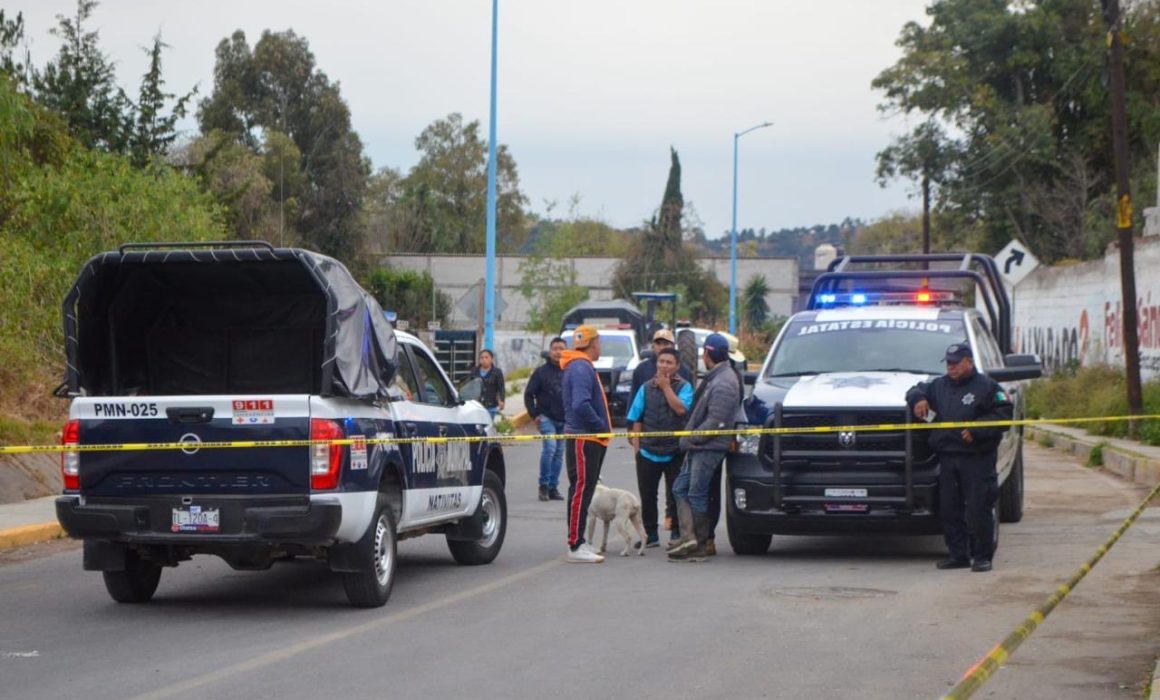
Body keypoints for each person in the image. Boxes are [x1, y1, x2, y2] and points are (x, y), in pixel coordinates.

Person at [906, 342, 1013, 573]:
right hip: (948, 458)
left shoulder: (987, 387)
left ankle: (982, 556)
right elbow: (914, 390)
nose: (951, 367)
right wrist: (918, 399)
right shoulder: (939, 386)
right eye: (948, 363)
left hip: (977, 458)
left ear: (969, 362)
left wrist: (977, 430)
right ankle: (958, 555)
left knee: (978, 508)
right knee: (949, 509)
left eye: (956, 363)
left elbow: (1004, 414)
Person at [669, 333, 741, 561]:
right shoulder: (717, 377)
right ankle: (688, 537)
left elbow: (716, 422)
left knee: (696, 493)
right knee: (680, 488)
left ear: (708, 354)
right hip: (700, 446)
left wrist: (691, 438)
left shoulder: (724, 382)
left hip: (709, 447)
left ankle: (699, 544)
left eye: (704, 353)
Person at [625, 347, 693, 549]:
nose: (664, 365)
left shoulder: (685, 387)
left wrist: (666, 387)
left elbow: (681, 409)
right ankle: (650, 534)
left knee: (675, 493)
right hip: (647, 451)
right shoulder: (645, 388)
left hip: (675, 451)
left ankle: (676, 532)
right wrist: (637, 450)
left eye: (669, 362)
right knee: (647, 495)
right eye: (661, 361)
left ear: (677, 366)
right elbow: (636, 417)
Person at [560, 325, 614, 564]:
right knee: (581, 490)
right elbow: (580, 404)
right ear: (593, 343)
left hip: (588, 438)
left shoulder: (580, 365)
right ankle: (575, 545)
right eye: (599, 342)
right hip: (585, 438)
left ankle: (578, 540)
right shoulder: (581, 367)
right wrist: (600, 426)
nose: (600, 346)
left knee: (583, 489)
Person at [701, 331, 747, 556]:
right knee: (710, 490)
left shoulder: (727, 378)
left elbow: (720, 415)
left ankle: (706, 537)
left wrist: (693, 437)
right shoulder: (728, 374)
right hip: (721, 439)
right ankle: (705, 536)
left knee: (708, 490)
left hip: (715, 441)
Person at [525, 337, 567, 502]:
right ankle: (543, 486)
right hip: (546, 417)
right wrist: (535, 414)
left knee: (559, 453)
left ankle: (552, 487)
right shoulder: (540, 373)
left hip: (564, 420)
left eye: (561, 348)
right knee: (550, 448)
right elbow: (529, 394)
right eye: (555, 348)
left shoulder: (570, 371)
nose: (558, 352)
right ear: (549, 352)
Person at [470, 349, 505, 420]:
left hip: (491, 406)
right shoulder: (474, 371)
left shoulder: (497, 372)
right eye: (482, 358)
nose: (484, 360)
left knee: (488, 424)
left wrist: (502, 400)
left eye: (486, 357)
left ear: (491, 359)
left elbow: (501, 387)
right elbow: (470, 386)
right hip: (476, 406)